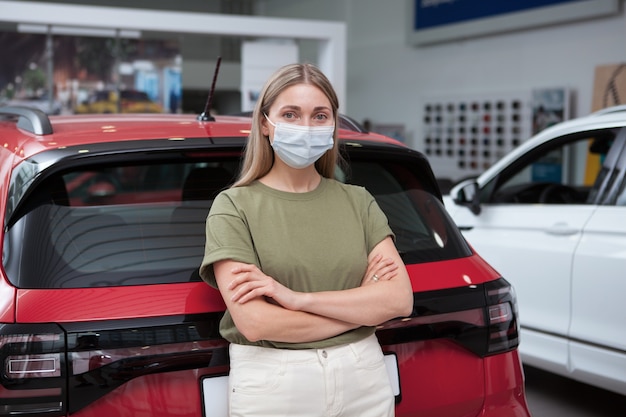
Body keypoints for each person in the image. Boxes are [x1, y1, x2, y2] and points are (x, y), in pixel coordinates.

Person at [199, 63, 414, 417]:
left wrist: (297, 299)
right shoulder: (233, 207)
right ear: (266, 123)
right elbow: (257, 323)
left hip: (364, 377)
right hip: (275, 385)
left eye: (319, 115)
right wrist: (362, 310)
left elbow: (399, 299)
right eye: (290, 114)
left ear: (332, 125)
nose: (306, 126)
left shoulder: (358, 201)